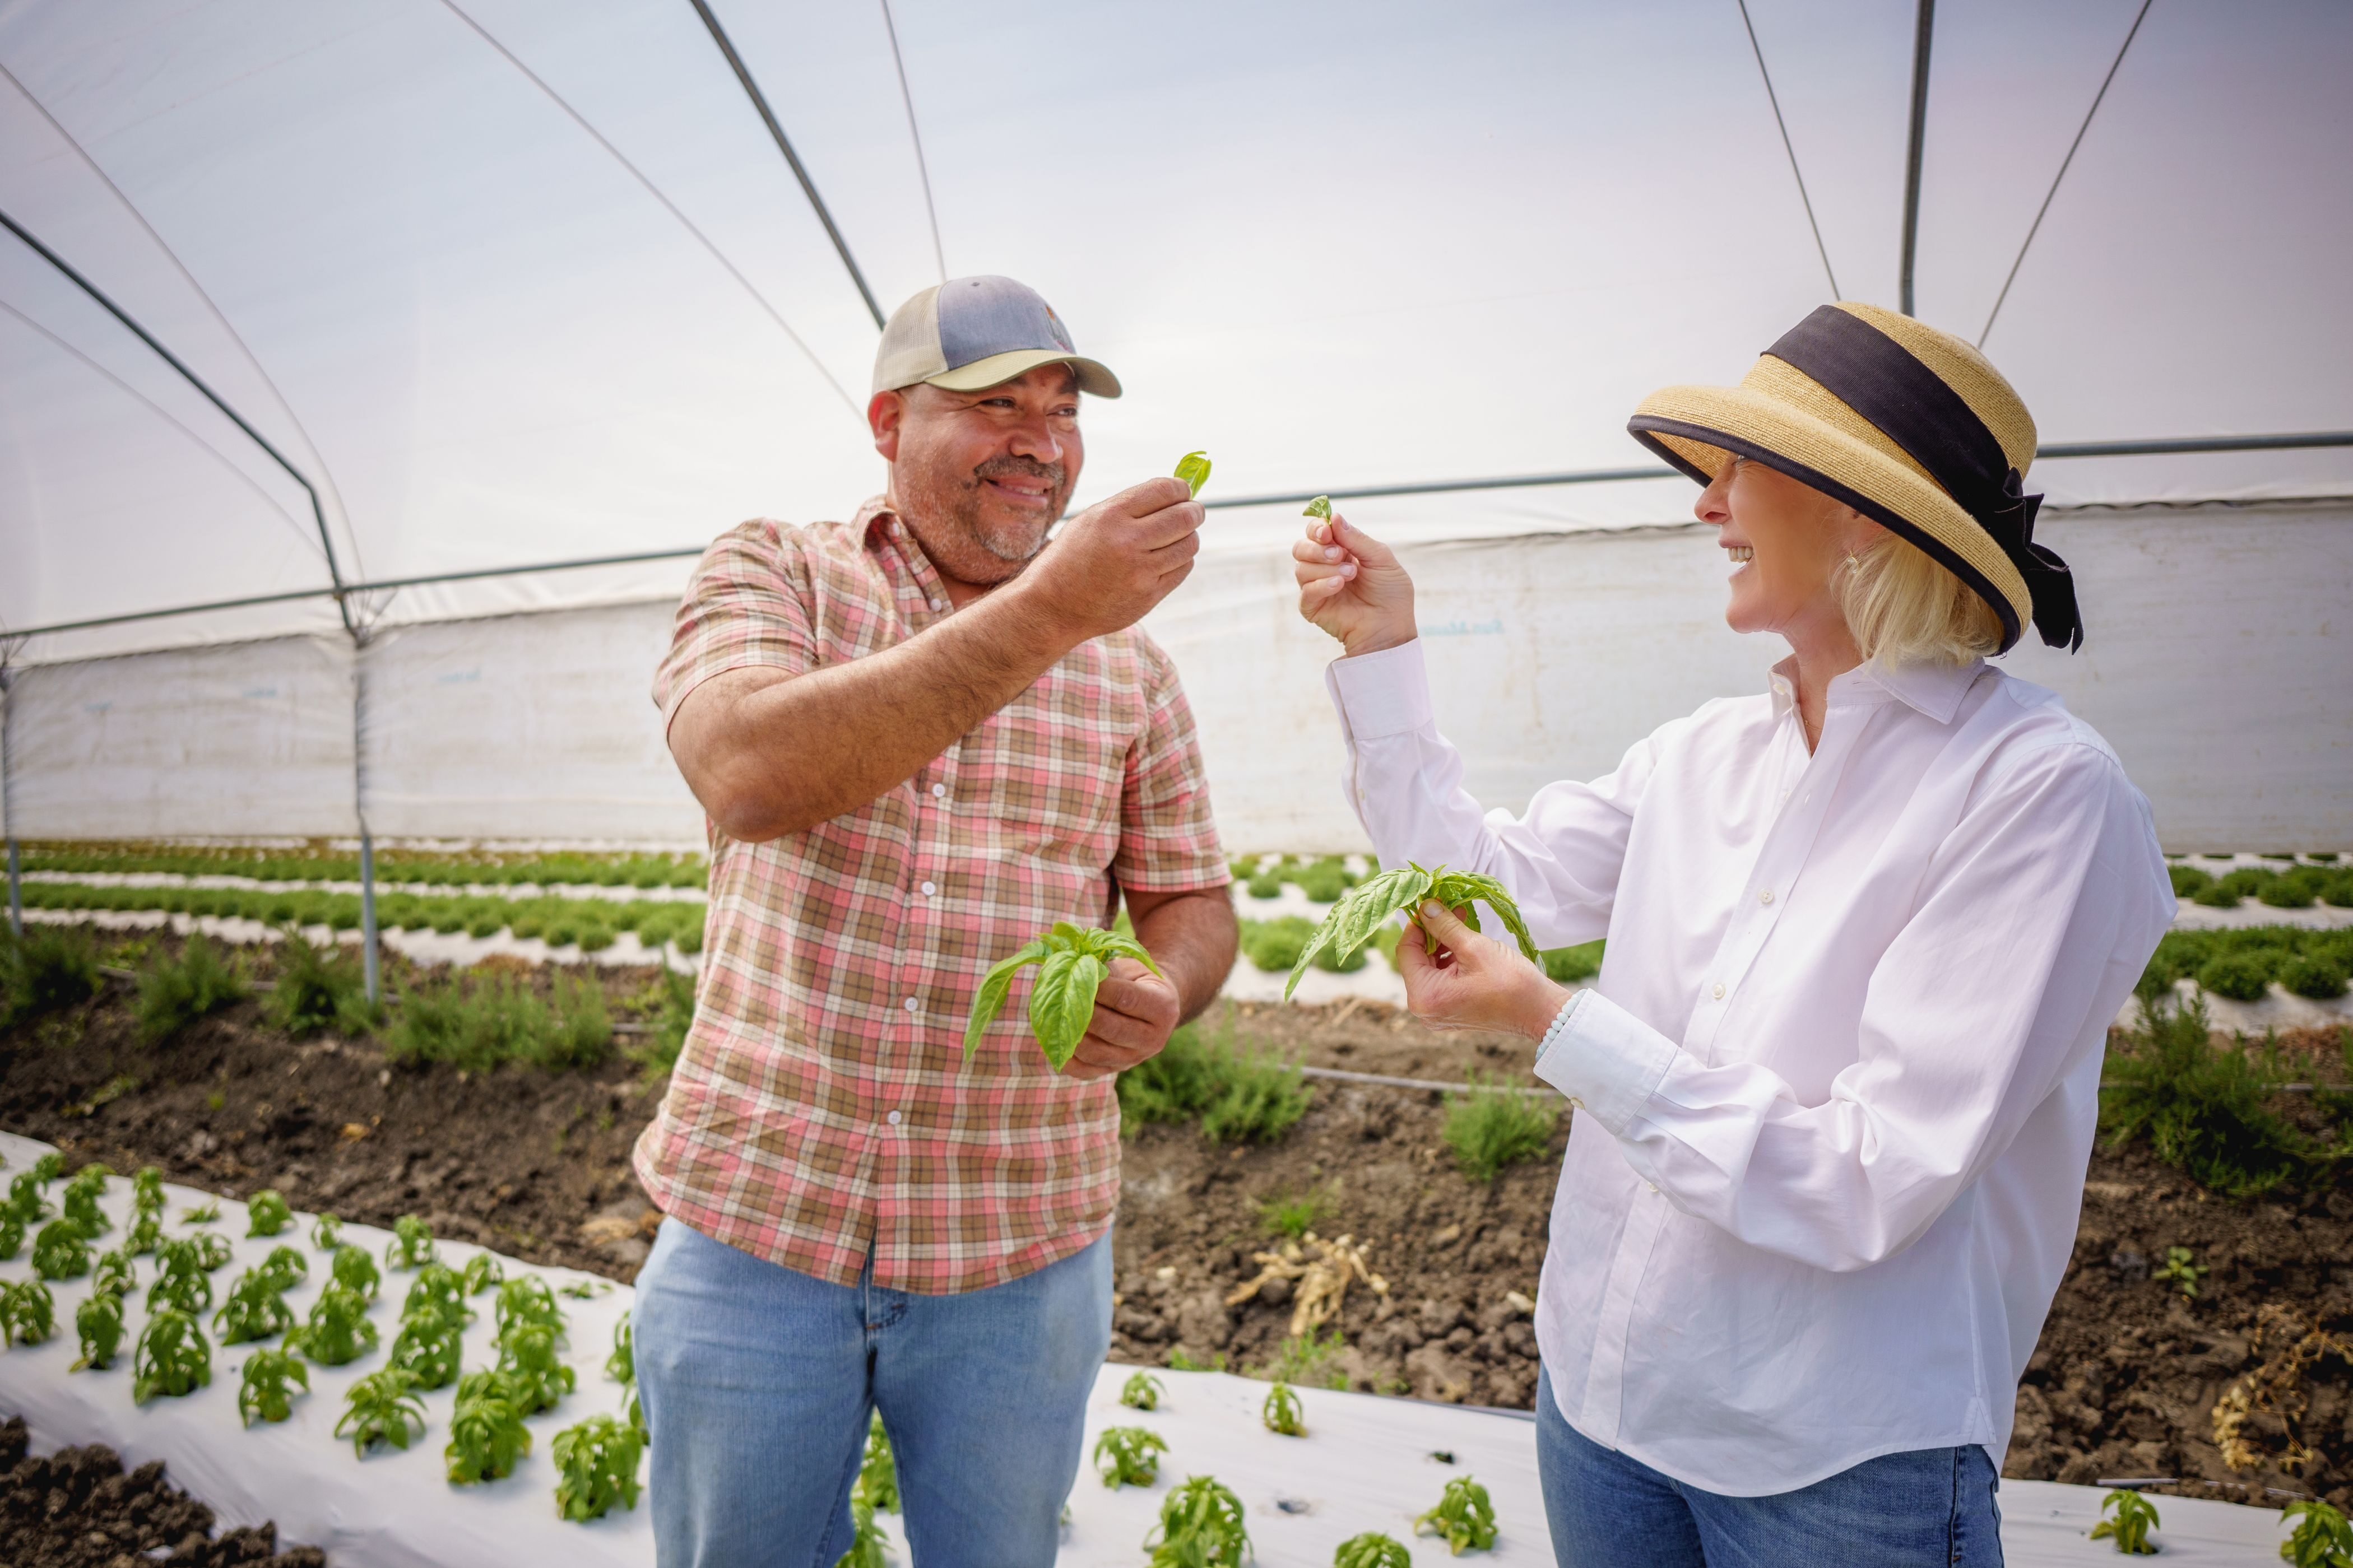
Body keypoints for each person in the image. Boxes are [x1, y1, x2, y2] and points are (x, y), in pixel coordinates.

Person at [1293, 303, 2173, 1565]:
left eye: (1739, 468)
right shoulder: (1702, 754)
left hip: (1836, 1461)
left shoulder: (2040, 793)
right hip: (1602, 1403)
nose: (1708, 505)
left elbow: (1873, 1174)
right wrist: (1383, 648)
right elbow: (1476, 884)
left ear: (1864, 505)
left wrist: (1552, 1022)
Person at [632, 275, 1238, 1567]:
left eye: (1063, 408)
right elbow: (746, 772)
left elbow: (1191, 896)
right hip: (762, 1224)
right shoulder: (778, 568)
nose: (1043, 438)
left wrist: (1166, 985)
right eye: (994, 403)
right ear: (887, 421)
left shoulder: (1134, 668)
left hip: (1018, 1243)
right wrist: (1055, 610)